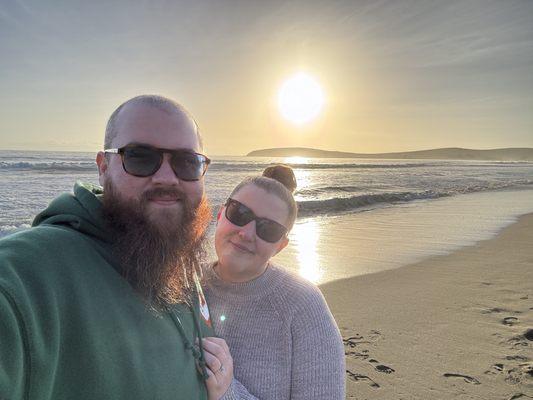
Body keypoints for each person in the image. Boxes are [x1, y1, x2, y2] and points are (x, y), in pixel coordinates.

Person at [0, 95, 214, 399]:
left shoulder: (172, 252)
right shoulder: (29, 276)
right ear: (103, 167)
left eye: (187, 162)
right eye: (140, 157)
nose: (167, 178)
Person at [200, 165, 346, 400]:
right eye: (239, 214)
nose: (246, 233)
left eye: (268, 229)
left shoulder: (303, 305)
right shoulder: (181, 285)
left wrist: (228, 393)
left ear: (280, 246)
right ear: (220, 214)